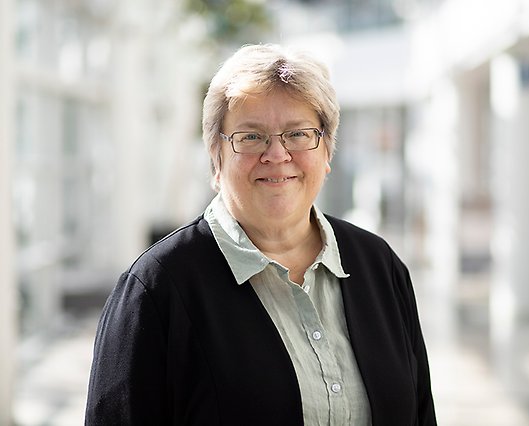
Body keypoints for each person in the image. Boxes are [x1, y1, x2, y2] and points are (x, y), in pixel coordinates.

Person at [85, 43, 437, 426]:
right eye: (251, 137)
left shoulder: (378, 264)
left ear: (326, 152)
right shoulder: (155, 290)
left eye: (298, 134)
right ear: (216, 158)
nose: (277, 154)